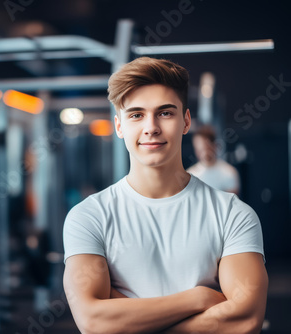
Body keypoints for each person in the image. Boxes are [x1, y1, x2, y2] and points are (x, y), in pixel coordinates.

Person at [63, 57, 267, 333]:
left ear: (185, 121)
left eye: (165, 113)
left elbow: (245, 320)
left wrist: (132, 322)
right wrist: (199, 298)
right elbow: (93, 321)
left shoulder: (233, 215)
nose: (151, 127)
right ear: (119, 126)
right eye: (136, 115)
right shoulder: (88, 217)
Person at [187, 125, 240, 194]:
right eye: (198, 149)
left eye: (204, 148)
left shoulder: (229, 173)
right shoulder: (190, 176)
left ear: (214, 145)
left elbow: (231, 202)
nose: (201, 152)